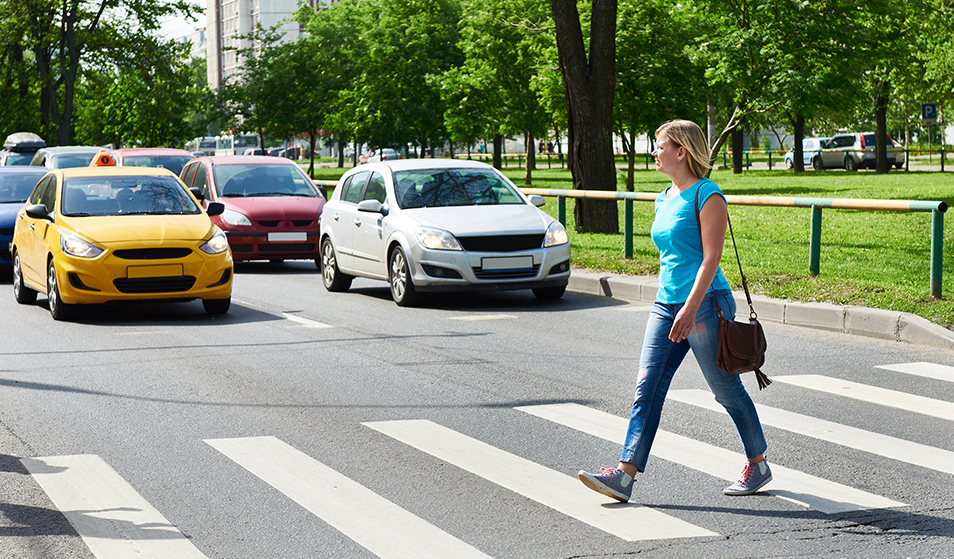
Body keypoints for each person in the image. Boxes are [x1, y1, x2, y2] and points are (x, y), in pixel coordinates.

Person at [578, 119, 771, 502]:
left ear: (681, 151)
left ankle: (758, 462)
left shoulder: (707, 195)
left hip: (704, 304)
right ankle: (625, 475)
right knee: (647, 386)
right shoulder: (663, 196)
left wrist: (691, 307)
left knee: (725, 389)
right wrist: (674, 304)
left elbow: (711, 258)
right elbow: (672, 256)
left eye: (659, 145)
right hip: (666, 304)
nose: (654, 151)